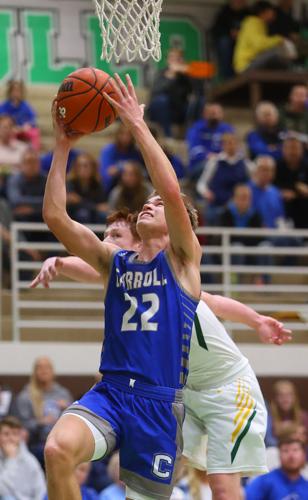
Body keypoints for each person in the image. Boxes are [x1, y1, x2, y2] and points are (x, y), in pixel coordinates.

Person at [32, 214, 291, 500]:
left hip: (227, 388)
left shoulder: (174, 281)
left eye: (116, 237)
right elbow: (93, 267)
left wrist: (257, 321)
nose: (106, 242)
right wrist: (59, 262)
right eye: (105, 237)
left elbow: (215, 301)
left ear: (139, 244)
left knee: (222, 487)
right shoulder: (129, 279)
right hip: (183, 393)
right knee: (162, 477)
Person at [42, 73, 202, 500]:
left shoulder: (183, 261)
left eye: (157, 205)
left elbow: (169, 189)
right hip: (111, 393)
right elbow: (56, 217)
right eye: (144, 203)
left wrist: (136, 122)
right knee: (57, 450)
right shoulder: (116, 263)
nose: (149, 204)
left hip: (157, 404)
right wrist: (63, 146)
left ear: (177, 223)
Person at [13, 356, 73, 465]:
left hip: (61, 440)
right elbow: (21, 425)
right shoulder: (25, 396)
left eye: (47, 367)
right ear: (34, 372)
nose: (44, 371)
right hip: (37, 442)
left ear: (53, 371)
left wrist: (67, 408)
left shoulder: (63, 393)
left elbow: (74, 419)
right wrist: (41, 422)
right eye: (39, 368)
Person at [196, 132, 250, 224]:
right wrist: (206, 193)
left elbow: (251, 182)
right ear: (223, 145)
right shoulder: (215, 162)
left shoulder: (244, 163)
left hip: (238, 208)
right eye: (228, 143)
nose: (231, 146)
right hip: (217, 204)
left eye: (233, 143)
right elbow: (201, 183)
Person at [233, 1, 289, 74]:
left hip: (250, 63)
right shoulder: (253, 23)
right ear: (264, 12)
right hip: (246, 65)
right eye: (272, 12)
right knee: (276, 53)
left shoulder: (258, 24)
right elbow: (259, 45)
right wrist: (279, 39)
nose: (274, 16)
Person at [147, 48, 193, 137]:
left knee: (197, 103)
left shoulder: (184, 76)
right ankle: (167, 136)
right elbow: (155, 92)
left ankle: (190, 136)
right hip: (160, 109)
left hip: (178, 109)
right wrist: (170, 78)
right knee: (161, 100)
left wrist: (187, 74)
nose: (174, 61)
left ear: (181, 60)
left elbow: (192, 91)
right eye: (171, 58)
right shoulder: (161, 73)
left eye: (177, 58)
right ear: (168, 60)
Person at [0, 415, 46, 500]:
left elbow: (41, 491)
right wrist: (11, 460)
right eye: (6, 434)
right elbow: (2, 490)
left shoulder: (30, 461)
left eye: (15, 434)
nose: (11, 438)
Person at [186, 103, 234, 180]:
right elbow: (194, 151)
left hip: (222, 162)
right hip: (200, 164)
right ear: (205, 114)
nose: (215, 116)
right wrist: (210, 156)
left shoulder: (227, 129)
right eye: (212, 113)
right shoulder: (196, 129)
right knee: (213, 166)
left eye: (218, 113)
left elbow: (233, 147)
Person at [274, 135, 308, 228]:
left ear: (302, 150)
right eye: (289, 148)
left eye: (295, 148)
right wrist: (279, 192)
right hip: (281, 211)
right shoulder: (276, 166)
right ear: (283, 150)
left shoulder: (306, 166)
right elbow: (268, 187)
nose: (292, 152)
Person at [98, 122, 143, 193]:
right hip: (111, 187)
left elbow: (139, 173)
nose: (125, 137)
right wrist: (124, 168)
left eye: (129, 134)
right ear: (117, 135)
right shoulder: (108, 150)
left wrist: (118, 169)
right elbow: (106, 173)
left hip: (133, 188)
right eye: (122, 134)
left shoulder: (136, 152)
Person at [211, 0, 250, 79]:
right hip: (230, 45)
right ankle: (228, 78)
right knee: (224, 42)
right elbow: (216, 30)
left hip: (245, 44)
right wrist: (230, 33)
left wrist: (242, 34)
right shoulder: (224, 13)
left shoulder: (249, 14)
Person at [66, 152, 109, 224]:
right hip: (72, 216)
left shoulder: (97, 184)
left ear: (93, 168)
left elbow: (103, 206)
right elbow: (74, 203)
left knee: (103, 216)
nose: (82, 169)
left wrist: (81, 201)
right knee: (83, 214)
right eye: (79, 166)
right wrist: (95, 207)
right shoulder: (69, 183)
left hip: (93, 216)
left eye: (85, 166)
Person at [6, 148, 47, 222]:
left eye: (35, 162)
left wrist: (33, 209)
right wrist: (43, 202)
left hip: (43, 216)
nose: (32, 165)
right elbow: (15, 200)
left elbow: (52, 202)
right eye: (29, 162)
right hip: (21, 219)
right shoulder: (15, 179)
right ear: (21, 165)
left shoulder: (46, 179)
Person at [0, 80, 41, 150]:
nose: (16, 93)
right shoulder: (4, 106)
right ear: (10, 92)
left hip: (23, 129)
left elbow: (33, 119)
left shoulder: (26, 105)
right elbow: (2, 119)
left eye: (18, 91)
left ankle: (34, 152)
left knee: (35, 133)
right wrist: (12, 128)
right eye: (14, 91)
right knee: (8, 132)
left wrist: (27, 126)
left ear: (22, 93)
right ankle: (9, 150)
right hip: (11, 129)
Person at [266, 380, 308, 446]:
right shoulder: (269, 417)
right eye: (281, 395)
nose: (285, 399)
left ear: (295, 397)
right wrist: (293, 434)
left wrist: (282, 432)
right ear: (275, 398)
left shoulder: (303, 416)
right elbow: (268, 441)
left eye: (289, 395)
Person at [249, 155, 286, 228]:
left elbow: (280, 217)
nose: (266, 173)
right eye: (263, 169)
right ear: (255, 171)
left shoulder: (275, 192)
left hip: (273, 234)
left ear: (273, 173)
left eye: (269, 170)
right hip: (253, 234)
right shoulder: (246, 190)